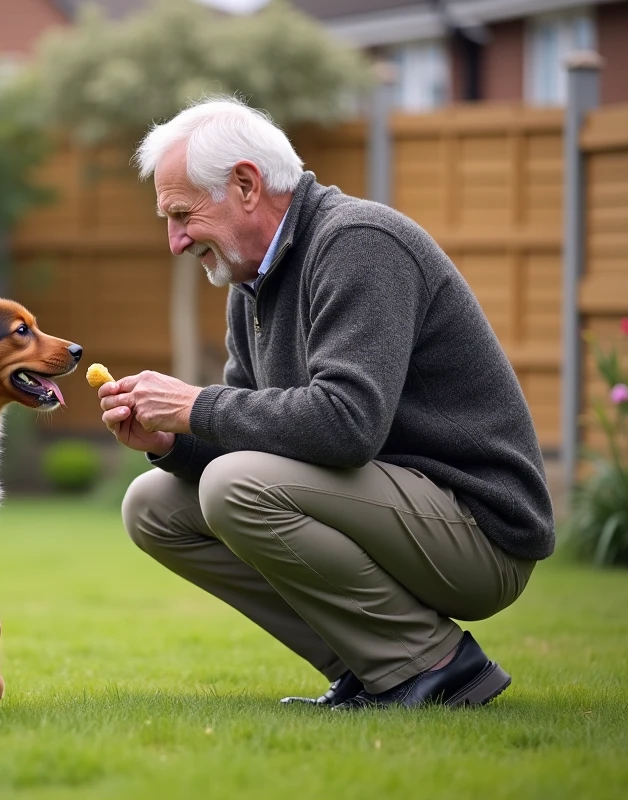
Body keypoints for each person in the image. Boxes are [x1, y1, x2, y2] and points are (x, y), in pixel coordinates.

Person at [99, 96, 555, 709]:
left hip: (480, 532)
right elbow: (258, 433)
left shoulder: (359, 243)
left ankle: (436, 666)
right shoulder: (250, 284)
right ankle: (370, 668)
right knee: (153, 506)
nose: (175, 242)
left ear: (246, 184)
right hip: (389, 510)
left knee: (236, 485)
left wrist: (195, 406)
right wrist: (171, 441)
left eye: (182, 214)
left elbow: (347, 424)